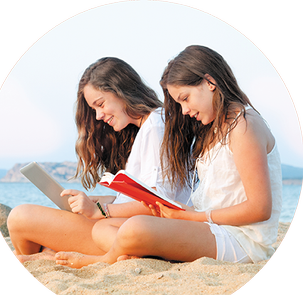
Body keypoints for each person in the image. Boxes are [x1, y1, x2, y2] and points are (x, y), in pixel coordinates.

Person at [53, 45, 282, 267]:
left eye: (185, 98)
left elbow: (260, 209)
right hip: (213, 228)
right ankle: (133, 255)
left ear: (210, 82)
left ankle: (105, 260)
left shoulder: (244, 127)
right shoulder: (215, 128)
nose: (184, 110)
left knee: (135, 228)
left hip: (241, 240)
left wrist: (192, 217)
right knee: (104, 229)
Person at [7, 57, 191, 264]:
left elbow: (158, 202)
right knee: (23, 226)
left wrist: (100, 211)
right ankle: (44, 256)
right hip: (126, 227)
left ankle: (44, 258)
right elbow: (144, 196)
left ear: (121, 90)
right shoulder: (148, 128)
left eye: (100, 104)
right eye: (94, 109)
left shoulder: (155, 127)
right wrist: (98, 201)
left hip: (134, 233)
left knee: (20, 218)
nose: (98, 116)